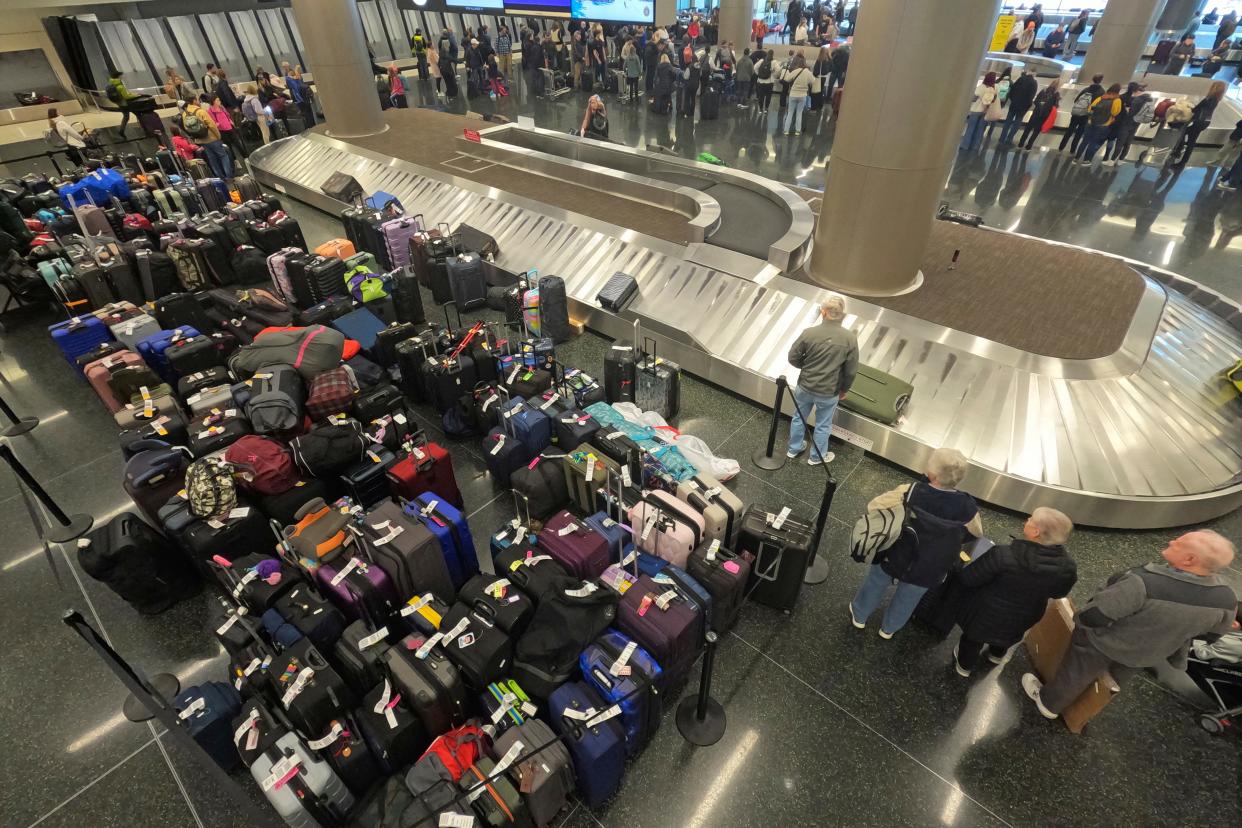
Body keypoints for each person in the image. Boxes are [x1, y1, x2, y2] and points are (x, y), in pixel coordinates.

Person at [1022, 531, 1239, 720]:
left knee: (1075, 674)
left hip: (1101, 644)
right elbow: (1211, 636)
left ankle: (1049, 704)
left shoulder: (1144, 584)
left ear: (1189, 559)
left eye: (1179, 543)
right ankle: (1091, 700)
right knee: (1115, 677)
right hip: (1147, 654)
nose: (1172, 542)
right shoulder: (1226, 599)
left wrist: (1081, 622)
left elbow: (1095, 616)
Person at [849, 448, 984, 638]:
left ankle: (860, 614)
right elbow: (977, 531)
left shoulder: (910, 492)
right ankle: (889, 628)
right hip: (932, 566)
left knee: (876, 582)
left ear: (933, 473)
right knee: (909, 597)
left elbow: (875, 505)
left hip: (897, 553)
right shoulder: (968, 507)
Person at [951, 508, 1077, 676]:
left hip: (986, 612)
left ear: (1036, 532)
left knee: (973, 639)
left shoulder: (1003, 555)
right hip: (1027, 614)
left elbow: (969, 579)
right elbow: (1058, 593)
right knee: (1008, 635)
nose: (1027, 519)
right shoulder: (1067, 567)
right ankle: (996, 655)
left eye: (1031, 519)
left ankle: (964, 666)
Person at [786, 295, 857, 464]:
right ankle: (816, 457)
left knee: (799, 418)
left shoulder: (809, 333)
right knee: (823, 425)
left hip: (805, 386)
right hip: (829, 391)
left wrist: (806, 367)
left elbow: (792, 357)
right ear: (842, 315)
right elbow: (851, 371)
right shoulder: (849, 339)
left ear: (823, 312)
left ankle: (793, 449)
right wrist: (843, 390)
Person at [1167, 80, 1227, 168]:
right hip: (1204, 122)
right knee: (1187, 137)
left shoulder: (1209, 99)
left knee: (1188, 139)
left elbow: (1196, 109)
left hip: (1199, 122)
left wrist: (1187, 108)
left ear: (1214, 88)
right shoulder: (1216, 99)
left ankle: (1181, 159)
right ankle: (1179, 153)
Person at [181, 94, 232, 179]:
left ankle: (220, 177)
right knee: (223, 156)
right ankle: (229, 176)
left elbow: (186, 128)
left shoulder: (184, 114)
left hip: (200, 140)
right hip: (211, 138)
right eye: (197, 100)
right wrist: (218, 135)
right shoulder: (200, 111)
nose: (198, 102)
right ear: (194, 101)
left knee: (212, 159)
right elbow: (212, 125)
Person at [1074, 83, 1123, 165]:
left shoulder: (1101, 97)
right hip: (1103, 125)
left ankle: (1076, 159)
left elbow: (1090, 108)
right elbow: (1115, 112)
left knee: (1084, 141)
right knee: (1093, 142)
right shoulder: (1117, 100)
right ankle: (1086, 161)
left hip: (1091, 122)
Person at [1058, 73, 1103, 154]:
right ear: (1101, 80)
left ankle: (1061, 147)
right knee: (1079, 133)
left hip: (1077, 113)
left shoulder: (1086, 89)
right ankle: (1072, 150)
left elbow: (1076, 100)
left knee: (1070, 130)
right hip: (1086, 115)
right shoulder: (1101, 92)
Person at [1102, 82, 1141, 165]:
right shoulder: (1137, 100)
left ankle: (1106, 156)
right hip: (1129, 124)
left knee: (1111, 139)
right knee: (1124, 142)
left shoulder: (1121, 97)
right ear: (1136, 89)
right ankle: (1119, 160)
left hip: (1117, 121)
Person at [998, 68, 1038, 146]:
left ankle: (1002, 138)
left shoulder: (1021, 79)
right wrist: (1028, 106)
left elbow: (1012, 89)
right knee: (1016, 123)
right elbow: (1031, 96)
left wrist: (1013, 99)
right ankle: (1009, 139)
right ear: (1035, 74)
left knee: (1008, 122)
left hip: (1014, 104)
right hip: (1023, 107)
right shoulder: (1034, 83)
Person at [1018, 78, 1059, 151]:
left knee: (1028, 128)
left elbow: (1036, 100)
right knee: (1036, 131)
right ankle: (1029, 146)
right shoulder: (1056, 94)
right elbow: (1055, 106)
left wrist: (1039, 105)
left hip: (1036, 112)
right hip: (1044, 115)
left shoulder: (1044, 90)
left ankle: (1021, 143)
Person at [962, 71, 998, 152]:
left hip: (976, 110)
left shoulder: (980, 87)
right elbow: (993, 100)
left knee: (970, 129)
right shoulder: (992, 89)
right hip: (985, 111)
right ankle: (975, 146)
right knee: (980, 130)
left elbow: (973, 98)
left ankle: (965, 145)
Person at [780, 53, 813, 134]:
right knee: (799, 113)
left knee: (790, 112)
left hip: (793, 94)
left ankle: (786, 130)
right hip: (803, 96)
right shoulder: (807, 72)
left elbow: (787, 79)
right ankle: (797, 131)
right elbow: (813, 81)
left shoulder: (795, 71)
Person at [106, 70, 140, 136]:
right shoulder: (120, 86)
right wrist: (136, 95)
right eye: (121, 76)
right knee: (137, 113)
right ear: (118, 76)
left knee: (126, 117)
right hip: (125, 104)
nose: (122, 77)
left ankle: (122, 130)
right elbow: (126, 97)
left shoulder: (111, 85)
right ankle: (143, 126)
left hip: (119, 103)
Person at [208, 96, 243, 160]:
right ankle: (235, 160)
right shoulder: (210, 111)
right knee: (228, 146)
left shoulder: (221, 107)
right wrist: (217, 124)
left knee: (237, 143)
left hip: (229, 127)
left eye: (219, 100)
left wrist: (230, 121)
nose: (219, 101)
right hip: (222, 130)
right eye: (217, 100)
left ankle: (245, 156)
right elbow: (212, 120)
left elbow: (227, 114)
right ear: (213, 102)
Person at [755, 49, 776, 113]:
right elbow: (778, 70)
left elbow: (755, 67)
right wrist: (773, 75)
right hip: (769, 82)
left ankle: (760, 109)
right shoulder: (774, 62)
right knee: (768, 96)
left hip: (760, 81)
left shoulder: (761, 60)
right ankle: (766, 109)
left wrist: (758, 74)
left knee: (761, 96)